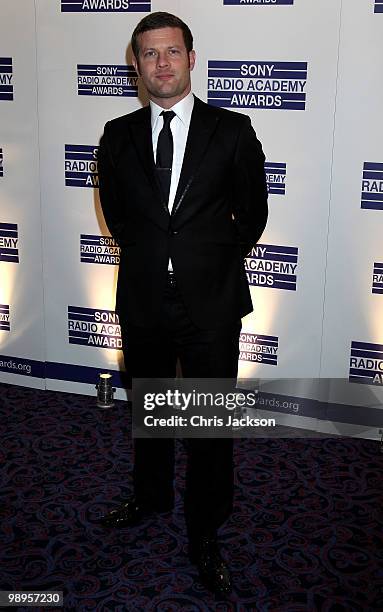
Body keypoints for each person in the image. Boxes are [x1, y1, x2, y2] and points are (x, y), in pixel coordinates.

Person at [98, 11, 268, 597]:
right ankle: (149, 498)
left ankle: (205, 527)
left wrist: (211, 260)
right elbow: (118, 216)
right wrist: (155, 258)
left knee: (207, 425)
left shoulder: (233, 130)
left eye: (171, 52)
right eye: (149, 54)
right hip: (142, 297)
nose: (161, 64)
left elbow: (254, 213)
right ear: (137, 64)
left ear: (191, 59)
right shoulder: (116, 135)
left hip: (210, 304)